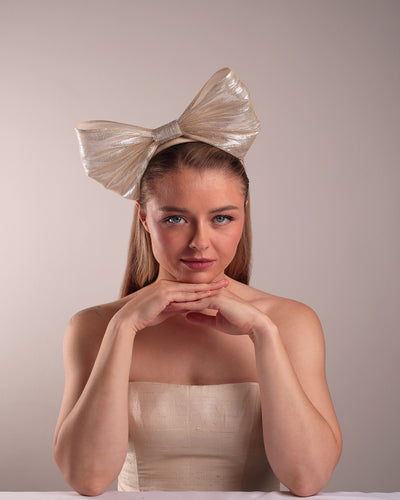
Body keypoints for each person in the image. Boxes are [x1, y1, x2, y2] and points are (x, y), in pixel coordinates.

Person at [53, 68, 342, 496]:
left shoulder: (290, 321)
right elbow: (88, 479)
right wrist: (122, 329)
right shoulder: (94, 326)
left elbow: (307, 478)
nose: (200, 243)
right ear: (144, 218)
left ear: (243, 217)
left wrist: (264, 335)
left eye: (222, 217)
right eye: (175, 218)